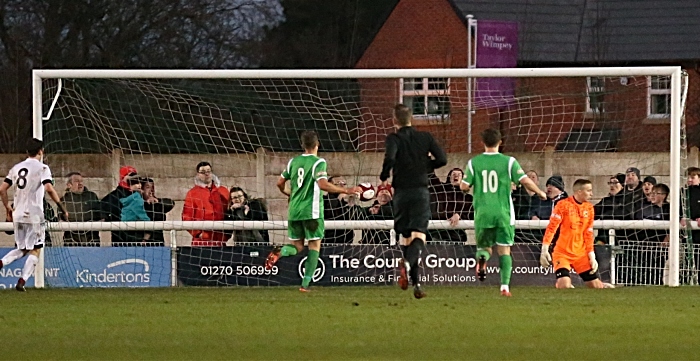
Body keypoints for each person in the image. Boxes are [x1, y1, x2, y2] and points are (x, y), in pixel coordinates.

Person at [264, 130, 360, 292]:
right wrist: (346, 190)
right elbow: (323, 185)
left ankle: (281, 251)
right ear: (317, 145)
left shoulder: (293, 162)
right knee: (314, 246)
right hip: (312, 212)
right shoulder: (318, 162)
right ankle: (305, 285)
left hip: (294, 211)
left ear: (302, 145)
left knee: (298, 247)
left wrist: (288, 193)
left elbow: (279, 183)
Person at [461, 128, 546, 297]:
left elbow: (464, 186)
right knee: (504, 250)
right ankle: (505, 287)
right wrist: (540, 192)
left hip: (483, 213)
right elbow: (525, 181)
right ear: (500, 142)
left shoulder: (474, 163)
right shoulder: (509, 162)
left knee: (484, 247)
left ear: (482, 143)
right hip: (503, 213)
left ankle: (482, 258)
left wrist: (470, 187)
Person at [381, 104, 447, 299]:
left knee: (406, 238)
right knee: (419, 236)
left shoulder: (394, 138)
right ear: (412, 118)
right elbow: (442, 159)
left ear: (395, 120)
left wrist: (384, 175)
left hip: (401, 193)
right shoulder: (424, 138)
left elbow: (390, 157)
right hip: (420, 191)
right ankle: (409, 268)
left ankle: (416, 284)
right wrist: (425, 165)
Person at [0, 139, 68, 291]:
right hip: (34, 214)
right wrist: (62, 208)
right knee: (36, 248)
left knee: (22, 248)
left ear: (26, 152)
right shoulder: (43, 168)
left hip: (18, 213)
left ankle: (1, 263)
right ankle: (22, 281)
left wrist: (7, 208)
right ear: (41, 151)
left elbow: (2, 189)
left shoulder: (17, 168)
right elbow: (49, 188)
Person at [539, 179, 604, 289]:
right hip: (562, 253)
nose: (591, 194)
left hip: (580, 254)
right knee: (564, 284)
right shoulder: (563, 205)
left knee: (596, 286)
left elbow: (588, 233)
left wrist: (591, 255)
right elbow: (551, 228)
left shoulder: (589, 208)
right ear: (579, 191)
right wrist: (544, 248)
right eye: (589, 191)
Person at [182, 162, 230, 246]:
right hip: (201, 241)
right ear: (198, 174)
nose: (206, 174)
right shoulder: (192, 193)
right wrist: (198, 234)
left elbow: (229, 213)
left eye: (208, 171)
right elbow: (187, 217)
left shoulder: (223, 191)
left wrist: (227, 234)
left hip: (221, 240)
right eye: (203, 172)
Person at [61, 172, 101, 246]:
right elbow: (61, 220)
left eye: (81, 181)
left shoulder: (91, 197)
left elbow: (100, 217)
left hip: (91, 241)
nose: (80, 183)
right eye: (76, 181)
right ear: (69, 185)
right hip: (71, 241)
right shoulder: (64, 200)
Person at [101, 165, 138, 245]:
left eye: (135, 176)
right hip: (120, 241)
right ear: (123, 178)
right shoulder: (112, 197)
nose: (133, 179)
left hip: (141, 241)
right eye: (131, 176)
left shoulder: (141, 195)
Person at [141, 178, 175, 246]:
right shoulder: (139, 204)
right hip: (143, 242)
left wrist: (158, 201)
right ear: (142, 190)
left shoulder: (158, 204)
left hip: (158, 241)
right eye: (147, 187)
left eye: (152, 187)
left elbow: (171, 203)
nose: (151, 190)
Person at [119, 177, 152, 245]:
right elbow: (145, 218)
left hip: (122, 234)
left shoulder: (125, 198)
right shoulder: (136, 199)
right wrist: (146, 237)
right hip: (134, 236)